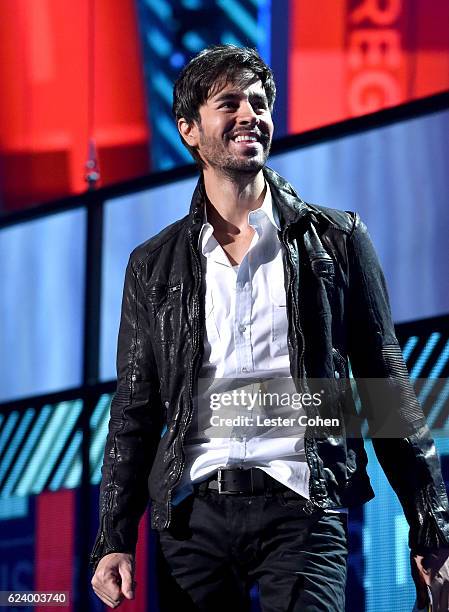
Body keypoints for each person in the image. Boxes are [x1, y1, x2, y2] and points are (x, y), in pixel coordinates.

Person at [90, 45, 449, 611]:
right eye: (228, 102)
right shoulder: (152, 266)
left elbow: (384, 386)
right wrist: (112, 539)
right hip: (191, 518)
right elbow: (135, 410)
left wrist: (430, 524)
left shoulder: (337, 239)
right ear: (188, 129)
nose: (249, 114)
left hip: (304, 509)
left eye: (259, 102)